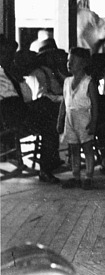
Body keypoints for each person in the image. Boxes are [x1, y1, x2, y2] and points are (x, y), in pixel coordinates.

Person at [0, 34, 61, 183]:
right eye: (7, 54)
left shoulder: (10, 73)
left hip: (19, 109)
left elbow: (26, 98)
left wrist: (20, 81)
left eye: (11, 54)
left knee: (49, 111)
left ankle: (48, 164)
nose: (10, 58)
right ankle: (49, 163)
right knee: (48, 108)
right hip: (6, 113)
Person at [57, 47, 98, 190]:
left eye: (73, 60)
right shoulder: (67, 82)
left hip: (83, 118)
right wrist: (60, 119)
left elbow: (94, 105)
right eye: (69, 60)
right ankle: (76, 176)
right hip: (70, 118)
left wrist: (93, 122)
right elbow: (64, 102)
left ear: (84, 63)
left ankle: (89, 176)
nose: (69, 63)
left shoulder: (89, 82)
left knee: (87, 147)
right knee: (73, 149)